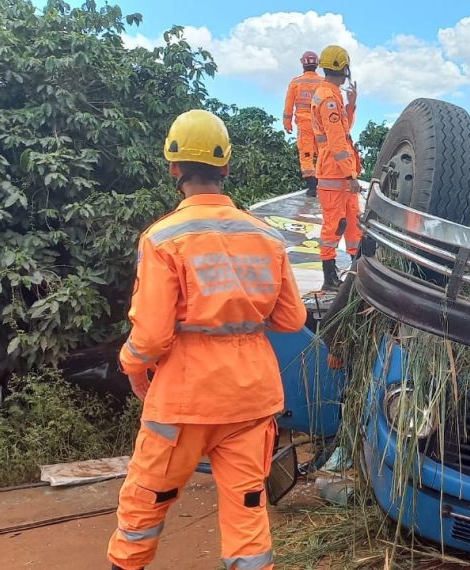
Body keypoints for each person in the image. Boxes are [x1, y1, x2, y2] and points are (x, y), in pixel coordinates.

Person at [107, 109, 307, 570]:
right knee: (248, 513)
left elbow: (152, 335)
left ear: (173, 167)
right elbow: (292, 319)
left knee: (145, 505)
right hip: (252, 399)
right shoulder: (267, 237)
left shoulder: (163, 238)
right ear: (226, 168)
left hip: (183, 399)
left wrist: (133, 366)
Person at [311, 44, 362, 290]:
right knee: (334, 225)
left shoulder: (332, 95)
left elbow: (342, 129)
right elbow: (337, 140)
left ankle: (356, 268)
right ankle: (329, 278)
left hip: (340, 174)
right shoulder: (329, 98)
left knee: (353, 222)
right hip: (335, 173)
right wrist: (351, 174)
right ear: (344, 68)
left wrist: (351, 105)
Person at [283, 51, 323, 197]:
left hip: (304, 124)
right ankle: (323, 182)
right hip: (321, 125)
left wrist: (287, 123)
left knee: (306, 154)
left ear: (302, 63)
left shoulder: (296, 83)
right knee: (323, 153)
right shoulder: (323, 83)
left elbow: (289, 104)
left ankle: (312, 187)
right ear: (317, 64)